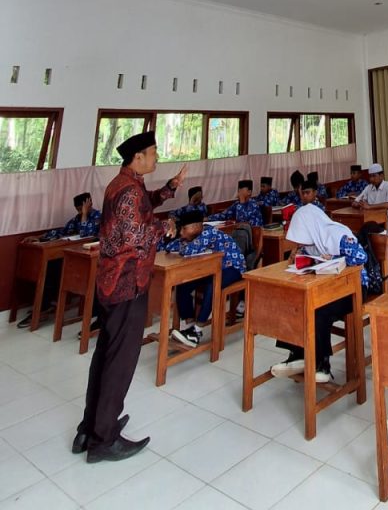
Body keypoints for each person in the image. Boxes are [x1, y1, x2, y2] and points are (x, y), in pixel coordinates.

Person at [73, 131, 185, 463]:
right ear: (138, 157)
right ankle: (103, 439)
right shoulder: (127, 191)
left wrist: (170, 188)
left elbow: (144, 204)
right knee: (120, 361)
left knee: (106, 354)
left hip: (114, 283)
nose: (156, 157)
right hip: (126, 284)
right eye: (153, 152)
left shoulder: (126, 184)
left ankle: (91, 426)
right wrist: (166, 227)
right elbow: (136, 234)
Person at [270, 204, 368, 382]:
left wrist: (333, 259)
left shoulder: (338, 235)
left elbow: (361, 257)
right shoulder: (312, 241)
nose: (302, 243)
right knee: (294, 302)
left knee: (319, 310)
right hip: (328, 288)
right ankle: (297, 354)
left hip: (354, 289)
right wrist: (295, 256)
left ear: (311, 226)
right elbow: (306, 259)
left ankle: (323, 364)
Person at [162, 209, 246, 348]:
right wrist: (176, 238)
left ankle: (197, 331)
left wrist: (182, 243)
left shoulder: (209, 232)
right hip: (212, 269)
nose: (181, 233)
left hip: (232, 268)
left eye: (184, 229)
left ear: (195, 227)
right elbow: (169, 247)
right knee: (183, 284)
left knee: (212, 286)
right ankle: (190, 326)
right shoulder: (193, 236)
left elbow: (188, 250)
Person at [17, 192, 103, 329]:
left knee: (57, 269)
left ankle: (46, 305)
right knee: (51, 266)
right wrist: (39, 237)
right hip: (73, 257)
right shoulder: (76, 219)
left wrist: (85, 215)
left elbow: (85, 234)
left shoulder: (98, 217)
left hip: (89, 260)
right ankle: (46, 305)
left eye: (82, 208)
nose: (80, 212)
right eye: (78, 209)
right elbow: (62, 231)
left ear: (89, 203)